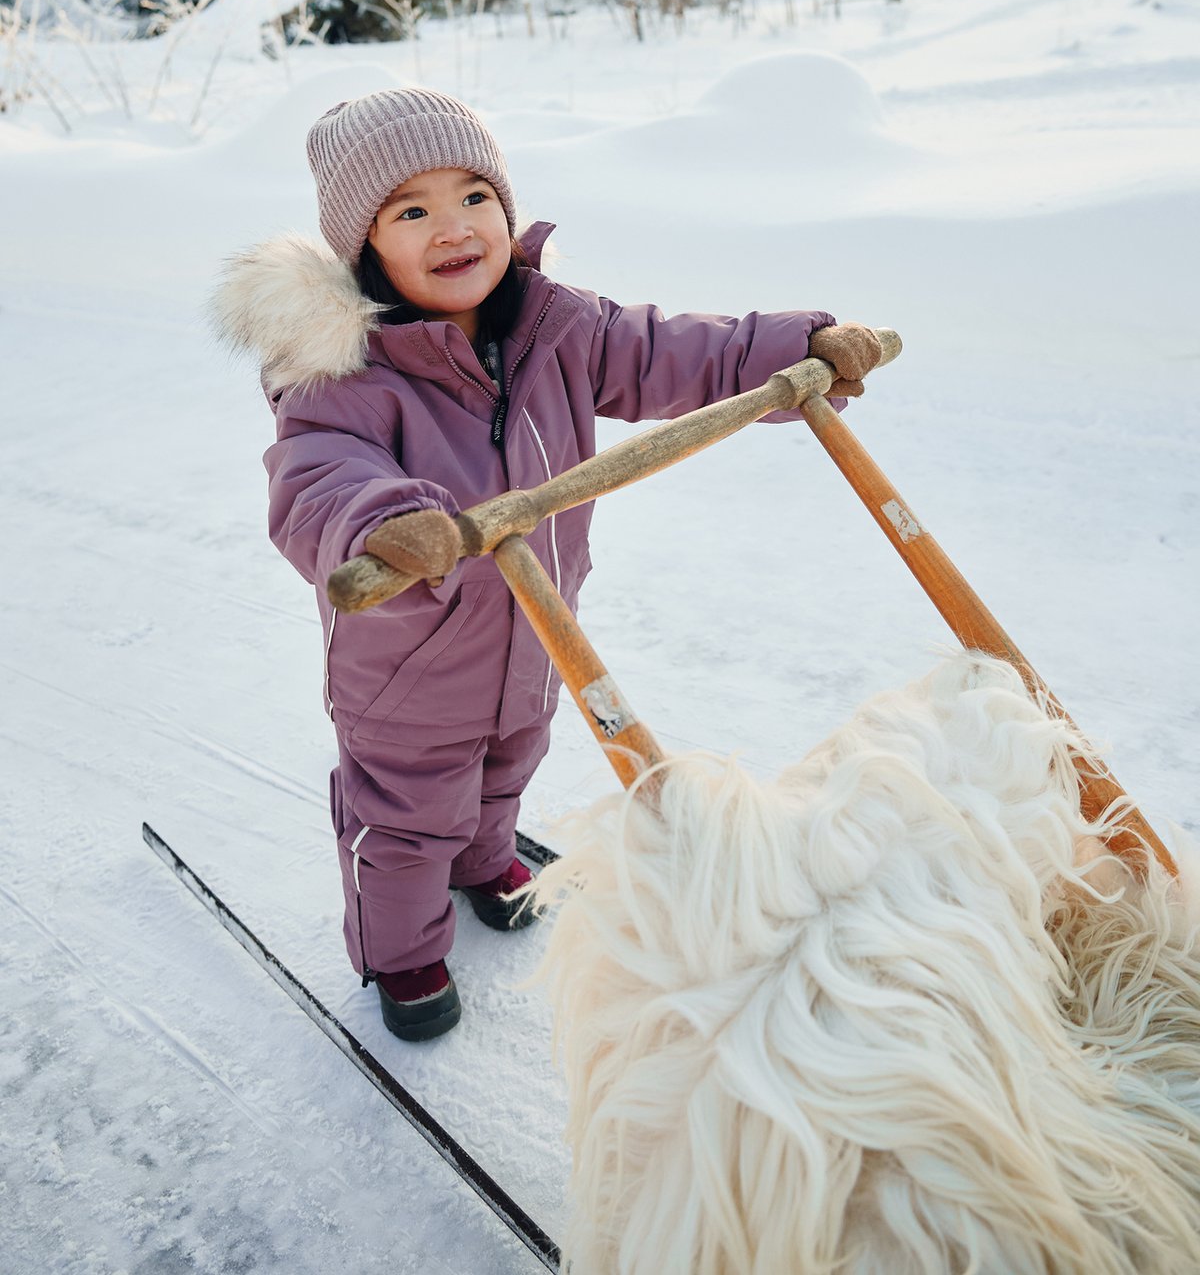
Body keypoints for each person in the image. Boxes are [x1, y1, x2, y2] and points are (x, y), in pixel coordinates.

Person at [214, 87, 881, 1041]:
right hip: (408, 666)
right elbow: (318, 478)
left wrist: (795, 347)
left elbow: (668, 351)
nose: (454, 228)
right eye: (412, 210)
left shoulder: (555, 326)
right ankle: (401, 954)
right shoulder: (345, 372)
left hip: (537, 631)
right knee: (406, 817)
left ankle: (486, 859)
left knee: (508, 765)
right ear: (366, 247)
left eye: (475, 196)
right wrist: (385, 524)